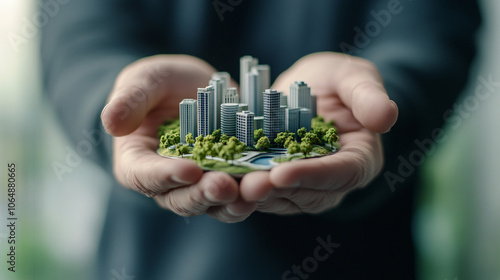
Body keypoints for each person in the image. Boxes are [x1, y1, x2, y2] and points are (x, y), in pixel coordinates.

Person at [41, 0, 481, 279]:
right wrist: (112, 94)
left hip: (360, 254)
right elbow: (78, 27)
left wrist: (389, 95)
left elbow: (433, 26)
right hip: (152, 257)